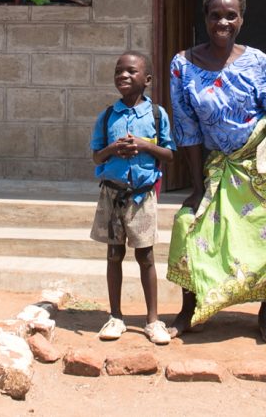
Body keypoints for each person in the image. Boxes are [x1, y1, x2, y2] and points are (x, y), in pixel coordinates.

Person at [166, 0, 266, 344]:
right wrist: (198, 188)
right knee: (188, 227)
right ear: (205, 18)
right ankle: (188, 309)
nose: (222, 22)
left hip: (265, 167)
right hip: (220, 166)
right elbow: (187, 130)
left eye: (230, 16)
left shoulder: (257, 61)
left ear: (241, 20)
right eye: (215, 15)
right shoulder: (182, 65)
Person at [90, 51, 176, 345]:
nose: (123, 76)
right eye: (118, 71)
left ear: (147, 80)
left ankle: (153, 320)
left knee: (146, 256)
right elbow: (95, 156)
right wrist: (114, 148)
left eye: (131, 71)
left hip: (142, 197)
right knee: (114, 255)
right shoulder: (107, 116)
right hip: (112, 194)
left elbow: (169, 153)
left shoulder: (156, 115)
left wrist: (143, 145)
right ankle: (115, 316)